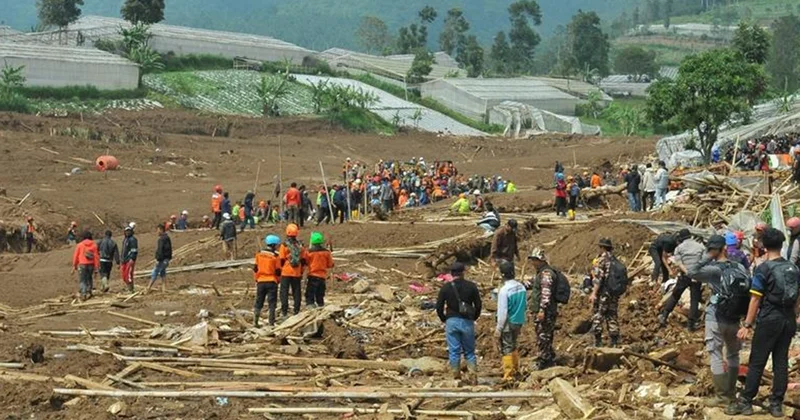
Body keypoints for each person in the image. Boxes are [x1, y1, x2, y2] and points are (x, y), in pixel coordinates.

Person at [727, 228, 799, 417]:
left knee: (757, 361)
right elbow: (797, 297)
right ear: (782, 244)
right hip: (788, 320)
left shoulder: (764, 269)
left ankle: (746, 401)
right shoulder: (794, 268)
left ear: (764, 246)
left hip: (769, 319)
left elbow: (755, 299)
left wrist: (747, 325)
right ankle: (776, 404)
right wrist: (795, 315)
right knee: (780, 362)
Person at [686, 235, 746, 407]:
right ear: (725, 248)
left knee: (716, 354)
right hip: (735, 317)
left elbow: (691, 272)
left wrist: (708, 257)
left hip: (716, 317)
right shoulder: (740, 267)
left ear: (713, 250)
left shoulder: (714, 270)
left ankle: (722, 396)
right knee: (733, 354)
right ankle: (732, 392)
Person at [435, 262, 482, 382]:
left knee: (454, 351)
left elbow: (439, 306)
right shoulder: (471, 286)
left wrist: (444, 318)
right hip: (467, 321)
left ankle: (456, 376)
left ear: (451, 274)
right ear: (463, 273)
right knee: (469, 351)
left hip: (451, 321)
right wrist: (474, 317)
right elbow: (478, 304)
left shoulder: (446, 288)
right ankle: (473, 375)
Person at [659, 229, 704, 331]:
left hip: (684, 275)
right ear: (690, 236)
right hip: (697, 276)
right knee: (694, 300)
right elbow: (703, 260)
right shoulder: (700, 246)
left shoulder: (679, 248)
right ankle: (691, 325)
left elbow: (679, 263)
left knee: (675, 295)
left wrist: (688, 272)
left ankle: (664, 316)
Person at [527, 248, 559, 370]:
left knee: (543, 335)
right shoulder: (541, 273)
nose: (533, 263)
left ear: (540, 260)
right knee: (545, 334)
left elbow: (546, 293)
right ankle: (549, 356)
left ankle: (544, 360)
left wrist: (542, 310)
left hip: (546, 311)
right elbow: (535, 284)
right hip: (546, 310)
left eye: (534, 260)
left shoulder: (546, 274)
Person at [495, 260, 526, 382]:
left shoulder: (505, 290)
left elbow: (502, 312)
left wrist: (498, 328)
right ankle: (516, 369)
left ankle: (508, 374)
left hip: (508, 321)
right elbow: (525, 304)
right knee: (514, 345)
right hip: (519, 320)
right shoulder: (521, 287)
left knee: (507, 346)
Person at [589, 238, 620, 347]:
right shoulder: (615, 259)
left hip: (603, 293)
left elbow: (598, 279)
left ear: (602, 247)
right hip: (613, 293)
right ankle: (614, 342)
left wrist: (593, 293)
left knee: (598, 315)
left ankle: (598, 342)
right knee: (612, 316)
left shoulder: (601, 260)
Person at [279, 224, 307, 318]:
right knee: (296, 292)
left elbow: (281, 259)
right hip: (297, 272)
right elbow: (303, 260)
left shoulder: (284, 245)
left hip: (286, 272)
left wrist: (281, 269)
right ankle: (296, 310)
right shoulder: (300, 245)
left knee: (284, 292)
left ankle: (284, 312)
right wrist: (301, 271)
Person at [253, 235, 281, 327]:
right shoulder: (275, 256)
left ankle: (255, 321)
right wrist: (278, 280)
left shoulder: (259, 254)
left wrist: (256, 279)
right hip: (272, 281)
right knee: (272, 303)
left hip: (261, 281)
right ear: (273, 245)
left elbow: (256, 268)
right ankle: (271, 323)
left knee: (259, 301)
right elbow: (278, 271)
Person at [305, 232, 334, 308]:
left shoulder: (309, 252)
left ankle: (310, 304)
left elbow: (305, 262)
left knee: (310, 292)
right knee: (320, 293)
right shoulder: (326, 252)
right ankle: (320, 304)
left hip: (312, 275)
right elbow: (330, 264)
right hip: (322, 276)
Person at [72, 231, 99, 301]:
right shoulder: (94, 245)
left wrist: (74, 265)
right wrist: (96, 267)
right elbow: (96, 257)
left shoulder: (80, 245)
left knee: (82, 280)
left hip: (82, 264)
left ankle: (83, 293)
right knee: (89, 278)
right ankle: (89, 291)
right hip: (91, 264)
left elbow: (76, 256)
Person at [147, 224, 172, 294]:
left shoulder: (161, 239)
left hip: (162, 259)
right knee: (162, 272)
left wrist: (158, 259)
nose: (157, 232)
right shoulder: (167, 238)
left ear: (161, 230)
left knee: (155, 272)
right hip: (166, 259)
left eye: (158, 230)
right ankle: (164, 288)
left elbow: (160, 250)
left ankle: (148, 287)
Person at [120, 226, 138, 292]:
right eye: (126, 231)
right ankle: (129, 287)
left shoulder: (132, 239)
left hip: (129, 260)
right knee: (124, 275)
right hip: (124, 260)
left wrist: (132, 258)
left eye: (129, 231)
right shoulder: (125, 240)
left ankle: (130, 289)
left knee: (128, 275)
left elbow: (134, 250)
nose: (127, 232)